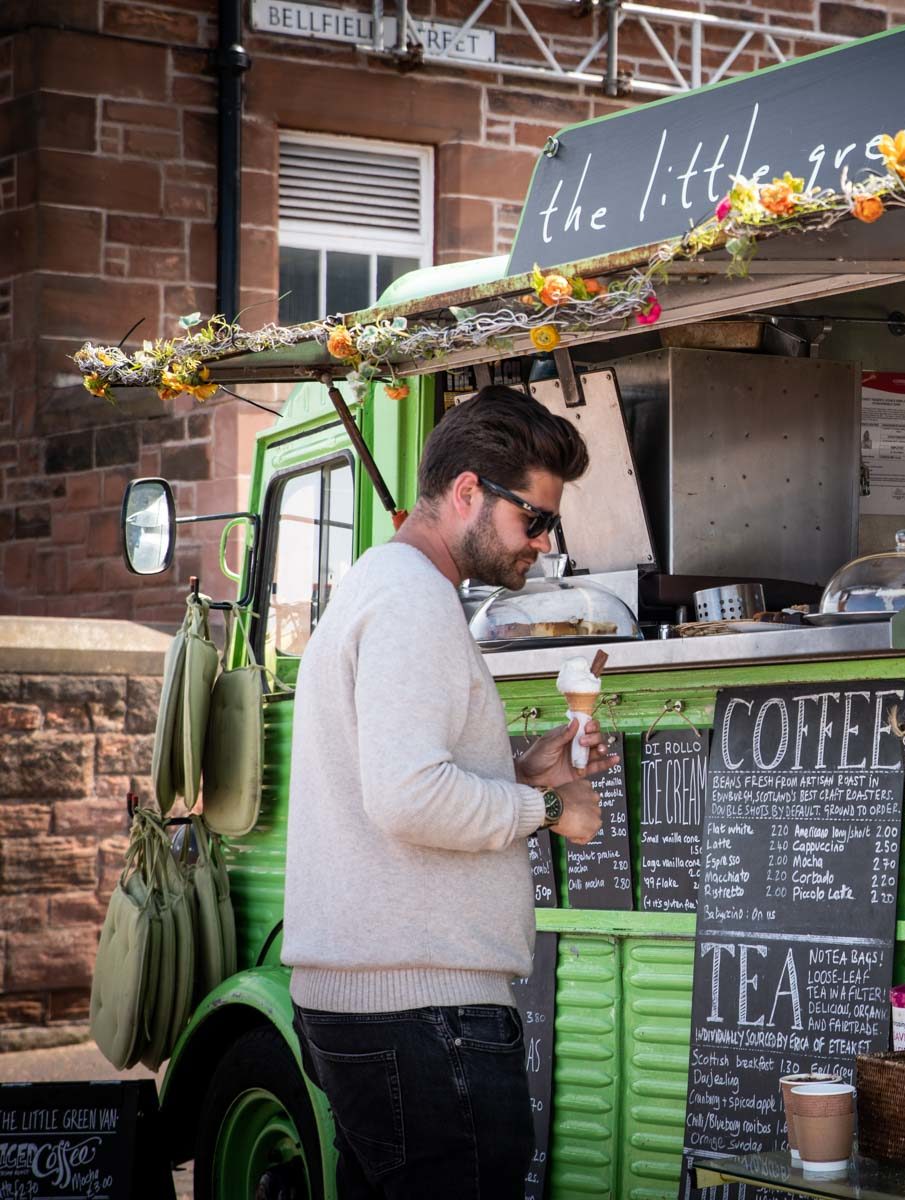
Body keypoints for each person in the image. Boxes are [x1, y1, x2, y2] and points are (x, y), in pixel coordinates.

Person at [283, 384, 616, 1197]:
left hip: (380, 1006)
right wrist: (548, 810)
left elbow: (397, 776)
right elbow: (408, 798)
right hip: (423, 1018)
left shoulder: (381, 582)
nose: (542, 542)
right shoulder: (414, 603)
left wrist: (524, 769)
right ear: (468, 491)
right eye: (533, 519)